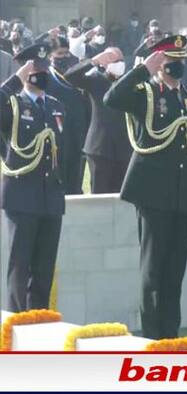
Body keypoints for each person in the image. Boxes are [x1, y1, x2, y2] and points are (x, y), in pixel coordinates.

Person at [104, 35, 187, 339]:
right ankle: (152, 335)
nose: (177, 66)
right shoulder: (145, 93)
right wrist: (141, 70)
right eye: (171, 60)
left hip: (183, 194)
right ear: (159, 62)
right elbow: (112, 99)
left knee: (175, 270)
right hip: (153, 193)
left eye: (181, 60)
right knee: (153, 270)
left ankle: (171, 333)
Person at [0, 43, 66, 312]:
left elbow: (66, 150)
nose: (41, 73)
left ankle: (39, 322)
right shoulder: (12, 104)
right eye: (35, 68)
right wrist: (14, 81)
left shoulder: (56, 105)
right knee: (20, 264)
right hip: (22, 194)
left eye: (44, 68)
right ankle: (16, 322)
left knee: (44, 266)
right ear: (26, 70)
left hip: (50, 196)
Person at [64, 47, 132, 193]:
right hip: (100, 148)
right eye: (113, 60)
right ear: (105, 63)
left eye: (121, 60)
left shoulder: (129, 81)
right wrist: (94, 61)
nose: (118, 63)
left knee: (122, 194)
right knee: (99, 193)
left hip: (125, 148)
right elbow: (70, 77)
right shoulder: (96, 80)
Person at [45, 37, 88, 195]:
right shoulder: (47, 76)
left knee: (76, 170)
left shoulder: (76, 72)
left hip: (77, 130)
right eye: (59, 53)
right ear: (50, 55)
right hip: (57, 130)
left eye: (66, 53)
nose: (63, 57)